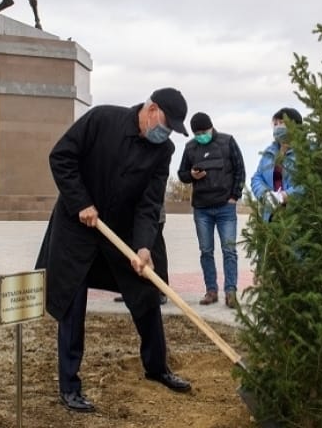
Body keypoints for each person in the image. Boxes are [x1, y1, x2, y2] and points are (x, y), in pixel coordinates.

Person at [35, 88, 193, 413]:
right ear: (151, 110)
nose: (166, 134)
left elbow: (149, 204)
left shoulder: (162, 151)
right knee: (71, 303)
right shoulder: (102, 119)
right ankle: (70, 385)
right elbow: (61, 156)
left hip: (119, 234)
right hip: (76, 229)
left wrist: (144, 246)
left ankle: (157, 367)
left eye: (172, 131)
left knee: (146, 294)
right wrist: (81, 202)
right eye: (165, 125)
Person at [177, 112, 246, 308]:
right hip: (202, 209)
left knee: (229, 250)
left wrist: (235, 196)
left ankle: (230, 292)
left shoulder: (227, 142)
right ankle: (211, 290)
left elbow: (240, 169)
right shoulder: (190, 147)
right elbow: (182, 174)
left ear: (211, 127)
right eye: (197, 133)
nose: (201, 136)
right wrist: (191, 175)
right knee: (206, 251)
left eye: (204, 132)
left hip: (226, 206)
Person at [250, 107, 302, 221]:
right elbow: (257, 177)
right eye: (275, 124)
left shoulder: (306, 151)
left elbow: (309, 182)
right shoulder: (269, 152)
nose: (278, 127)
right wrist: (265, 195)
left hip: (296, 216)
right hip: (272, 215)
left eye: (282, 123)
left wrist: (285, 196)